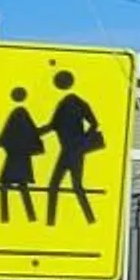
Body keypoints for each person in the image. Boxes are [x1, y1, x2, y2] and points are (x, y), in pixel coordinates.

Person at [45, 69, 107, 224]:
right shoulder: (64, 104)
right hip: (68, 150)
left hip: (73, 151)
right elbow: (52, 126)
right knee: (64, 187)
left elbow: (94, 123)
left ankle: (87, 219)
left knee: (66, 186)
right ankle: (52, 221)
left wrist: (82, 141)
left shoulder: (76, 103)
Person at [0, 89, 47, 224]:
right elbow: (33, 133)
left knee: (8, 187)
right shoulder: (22, 114)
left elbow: (3, 138)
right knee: (19, 187)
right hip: (21, 159)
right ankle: (26, 216)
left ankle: (8, 216)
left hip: (15, 158)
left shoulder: (18, 114)